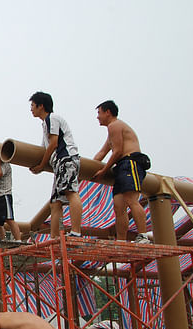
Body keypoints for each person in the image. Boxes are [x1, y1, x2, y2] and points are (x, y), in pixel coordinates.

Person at [91, 100, 151, 244]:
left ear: (108, 112)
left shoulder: (115, 125)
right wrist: (86, 170)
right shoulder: (112, 130)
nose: (97, 117)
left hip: (130, 163)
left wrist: (104, 170)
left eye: (99, 113)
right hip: (121, 167)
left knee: (131, 200)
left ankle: (143, 236)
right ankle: (122, 241)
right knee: (119, 207)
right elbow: (102, 153)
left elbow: (117, 151)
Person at [29, 92, 82, 238]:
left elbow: (53, 144)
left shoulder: (52, 118)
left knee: (71, 192)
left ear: (41, 106)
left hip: (66, 158)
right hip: (60, 163)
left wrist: (41, 165)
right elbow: (45, 148)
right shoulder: (46, 124)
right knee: (55, 202)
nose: (31, 109)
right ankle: (54, 237)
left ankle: (76, 231)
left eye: (33, 105)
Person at [0, 158, 22, 241]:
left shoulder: (5, 165)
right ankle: (2, 241)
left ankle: (18, 240)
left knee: (9, 219)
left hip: (3, 195)